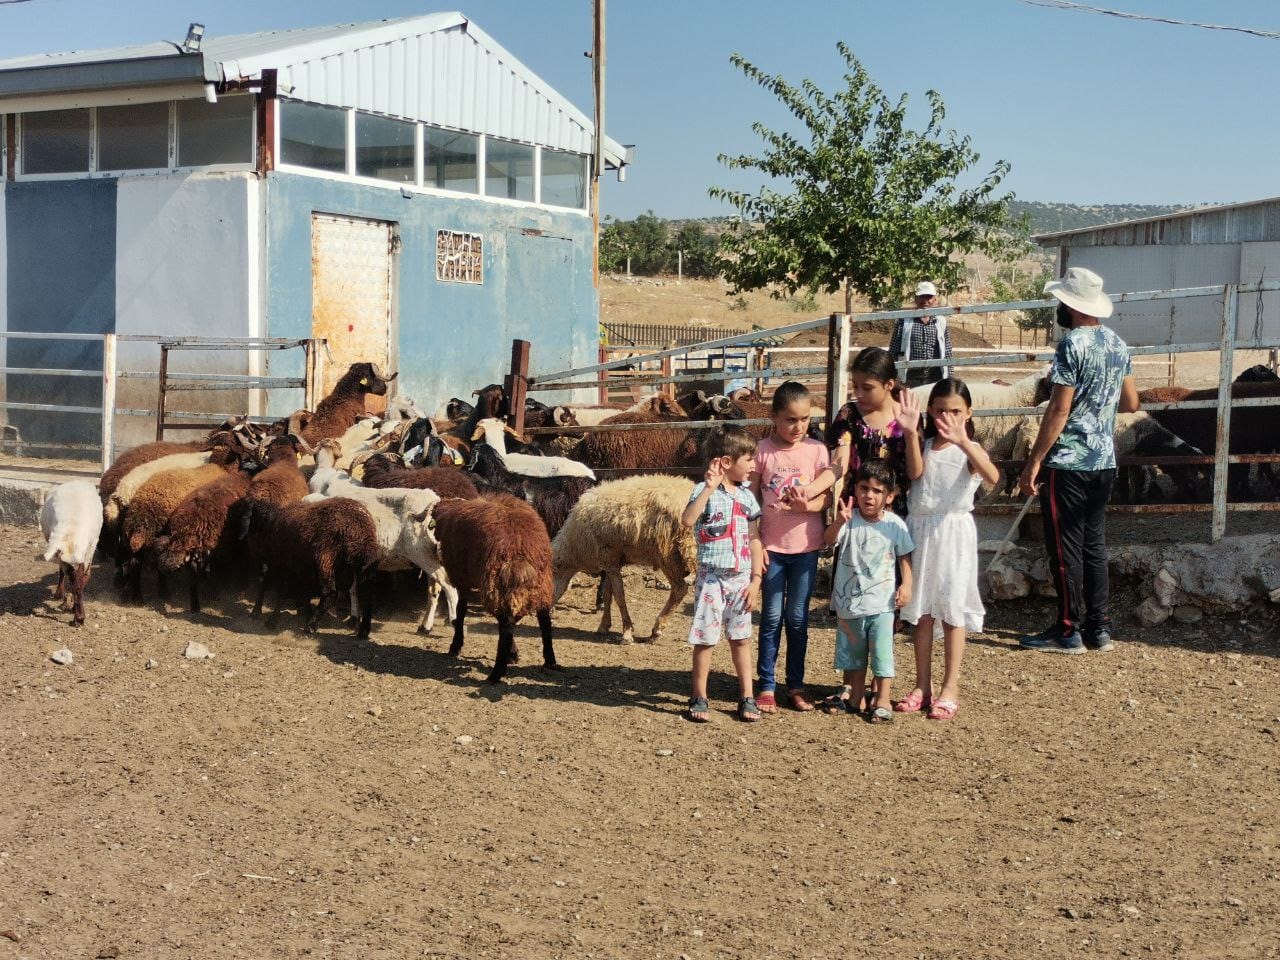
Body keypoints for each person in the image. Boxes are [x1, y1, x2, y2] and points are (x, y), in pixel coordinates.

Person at [1018, 267, 1139, 655]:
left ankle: (1068, 629)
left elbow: (1058, 409)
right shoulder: (1118, 345)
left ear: (1070, 304)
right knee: (1093, 544)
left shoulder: (1072, 346)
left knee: (1064, 548)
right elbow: (1131, 402)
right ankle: (1098, 627)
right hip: (1104, 459)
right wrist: (1100, 402)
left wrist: (1034, 460)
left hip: (1069, 461)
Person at [895, 378, 1000, 721]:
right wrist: (911, 433)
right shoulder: (924, 445)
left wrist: (964, 441)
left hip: (954, 534)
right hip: (922, 532)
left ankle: (950, 687)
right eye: (940, 410)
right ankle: (921, 685)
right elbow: (915, 473)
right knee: (922, 610)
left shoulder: (970, 449)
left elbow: (992, 476)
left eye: (955, 411)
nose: (947, 417)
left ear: (968, 413)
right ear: (929, 411)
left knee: (953, 610)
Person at [750, 380, 836, 714]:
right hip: (772, 547)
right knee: (771, 617)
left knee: (798, 618)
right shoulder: (762, 451)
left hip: (805, 548)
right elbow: (752, 499)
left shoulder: (816, 450)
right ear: (774, 417)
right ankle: (767, 684)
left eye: (804, 419)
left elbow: (824, 500)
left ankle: (796, 684)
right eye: (790, 419)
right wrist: (755, 543)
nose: (798, 426)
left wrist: (805, 507)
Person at [681, 424, 765, 722]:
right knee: (705, 638)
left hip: (741, 580)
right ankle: (699, 695)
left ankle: (747, 697)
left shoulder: (747, 499)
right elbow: (688, 520)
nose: (754, 465)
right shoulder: (703, 491)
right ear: (727, 462)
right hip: (711, 579)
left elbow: (755, 539)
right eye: (749, 459)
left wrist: (756, 581)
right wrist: (708, 487)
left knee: (741, 638)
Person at [823, 460, 914, 723]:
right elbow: (828, 541)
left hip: (882, 603)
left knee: (882, 652)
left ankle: (883, 698)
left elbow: (904, 556)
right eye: (864, 489)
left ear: (889, 496)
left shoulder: (895, 524)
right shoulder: (849, 521)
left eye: (876, 491)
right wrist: (839, 521)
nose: (869, 496)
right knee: (854, 653)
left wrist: (906, 585)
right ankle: (855, 696)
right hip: (849, 603)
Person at [826, 347, 914, 510]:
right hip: (854, 510)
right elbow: (840, 463)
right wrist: (810, 490)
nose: (858, 394)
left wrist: (912, 434)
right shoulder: (849, 414)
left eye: (866, 388)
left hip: (892, 514)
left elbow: (914, 472)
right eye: (855, 386)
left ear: (889, 385)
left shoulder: (908, 416)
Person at [888, 281, 954, 388]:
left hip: (935, 376)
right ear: (916, 299)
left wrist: (949, 377)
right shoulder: (904, 321)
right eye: (922, 296)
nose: (925, 301)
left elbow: (947, 351)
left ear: (935, 299)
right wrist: (893, 377)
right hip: (911, 377)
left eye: (929, 297)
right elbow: (893, 350)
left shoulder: (940, 321)